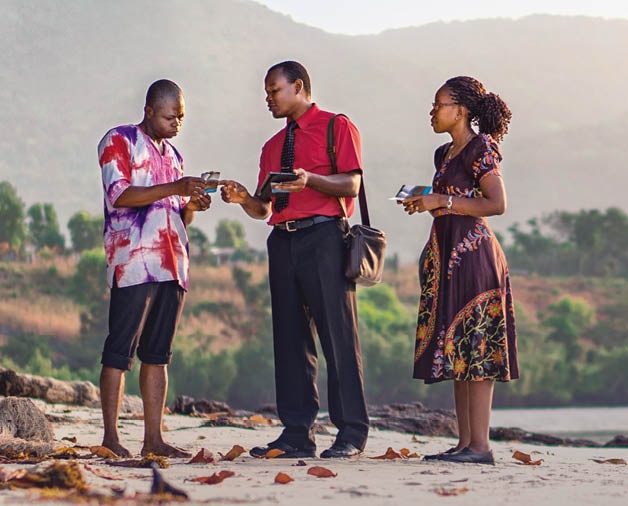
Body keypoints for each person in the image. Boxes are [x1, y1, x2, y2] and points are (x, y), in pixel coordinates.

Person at [221, 61, 368, 459]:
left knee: (337, 335)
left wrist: (311, 180)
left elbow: (353, 182)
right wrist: (242, 199)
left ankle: (351, 432)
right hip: (282, 241)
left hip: (324, 236)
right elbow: (263, 206)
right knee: (289, 338)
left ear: (299, 87)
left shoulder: (337, 126)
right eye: (266, 93)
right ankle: (296, 433)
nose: (268, 99)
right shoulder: (271, 147)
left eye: (274, 90)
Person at [401, 76, 517, 465]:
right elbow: (453, 201)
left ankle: (480, 446)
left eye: (439, 104)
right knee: (457, 349)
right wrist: (426, 202)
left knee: (477, 349)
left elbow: (496, 203)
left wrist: (442, 200)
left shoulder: (482, 148)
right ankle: (465, 443)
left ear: (462, 110)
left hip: (475, 257)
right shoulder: (444, 154)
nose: (432, 111)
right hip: (446, 253)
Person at [97, 79, 211, 458]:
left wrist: (193, 203)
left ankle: (154, 438)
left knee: (158, 354)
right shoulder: (120, 140)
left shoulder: (174, 155)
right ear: (148, 111)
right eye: (169, 116)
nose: (177, 123)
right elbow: (121, 196)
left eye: (181, 117)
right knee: (119, 351)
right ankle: (111, 438)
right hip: (133, 261)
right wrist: (174, 187)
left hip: (172, 263)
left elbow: (179, 216)